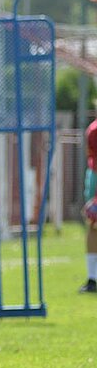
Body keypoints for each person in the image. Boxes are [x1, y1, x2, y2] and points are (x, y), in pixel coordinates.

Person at [81, 119, 97, 294]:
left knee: (93, 227)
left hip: (95, 178)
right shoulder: (93, 130)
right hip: (95, 178)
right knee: (93, 226)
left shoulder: (93, 129)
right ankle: (92, 278)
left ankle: (93, 278)